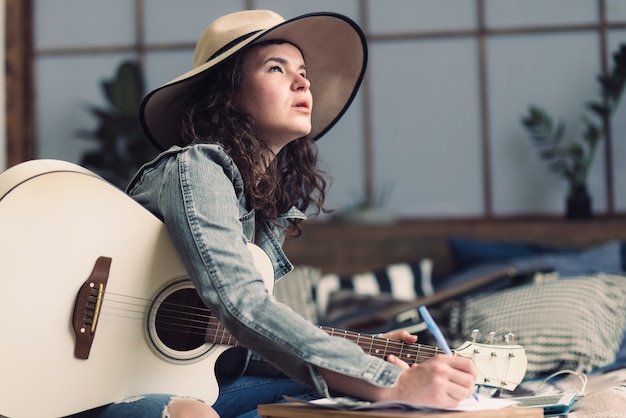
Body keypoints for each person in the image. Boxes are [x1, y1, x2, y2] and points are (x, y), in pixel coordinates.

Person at [74, 9, 478, 418]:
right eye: (275, 68)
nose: (302, 81)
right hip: (95, 377)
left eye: (303, 71)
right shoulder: (196, 166)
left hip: (184, 380)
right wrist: (386, 377)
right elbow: (241, 306)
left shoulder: (267, 205)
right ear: (227, 93)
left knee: (337, 403)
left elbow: (236, 340)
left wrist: (356, 354)